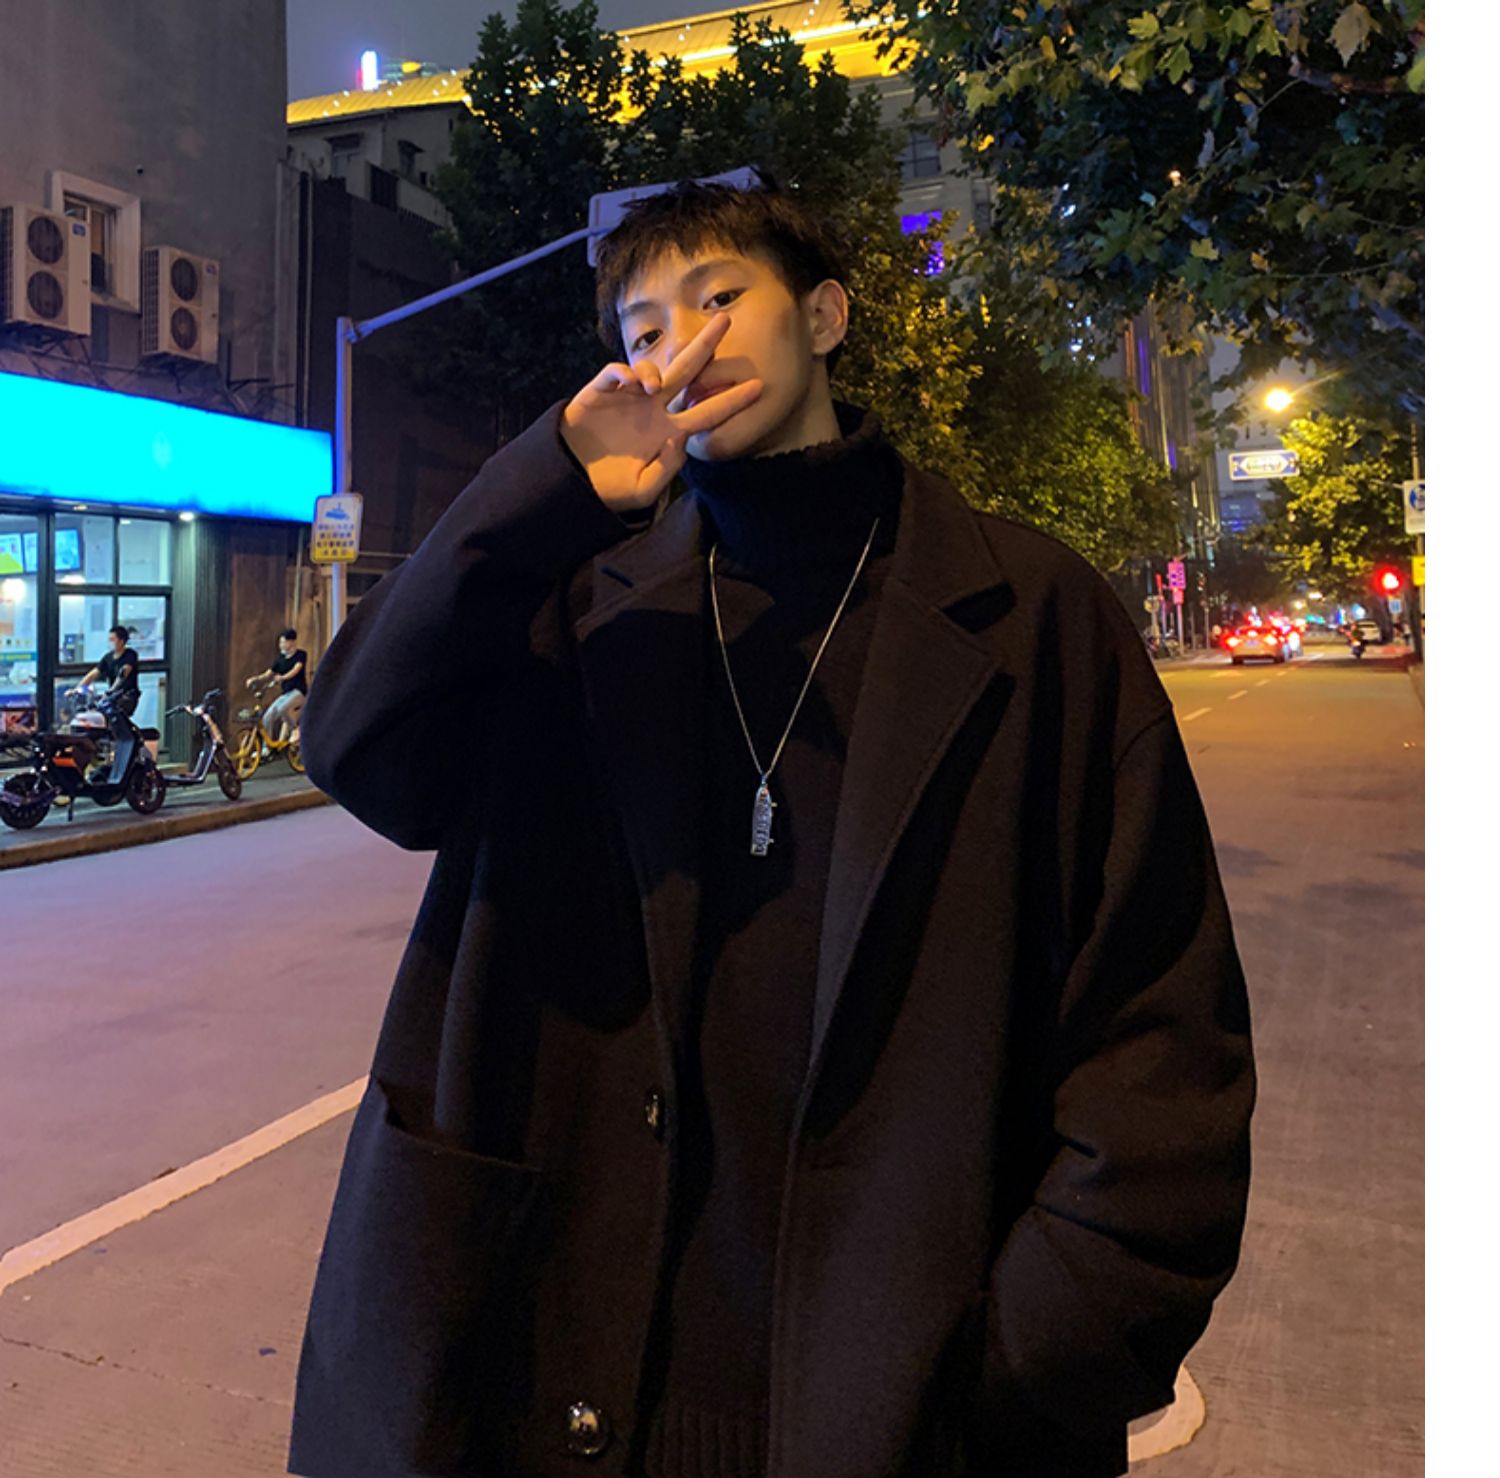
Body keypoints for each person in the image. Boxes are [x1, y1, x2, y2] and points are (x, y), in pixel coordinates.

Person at [289, 179, 1255, 1478]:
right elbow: (361, 751)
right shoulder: (578, 597)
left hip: (902, 1406)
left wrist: (1029, 1357)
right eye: (644, 327)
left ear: (826, 316)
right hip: (554, 1373)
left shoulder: (1033, 615)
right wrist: (544, 488)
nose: (681, 345)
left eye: (719, 297)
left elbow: (1160, 1034)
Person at [72, 624, 140, 778]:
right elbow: (94, 673)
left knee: (115, 718)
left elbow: (124, 673)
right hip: (112, 698)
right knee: (93, 715)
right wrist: (78, 688)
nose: (110, 642)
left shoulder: (130, 655)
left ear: (121, 641)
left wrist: (112, 690)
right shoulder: (108, 658)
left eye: (112, 639)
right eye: (109, 639)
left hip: (126, 697)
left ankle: (120, 751)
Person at [247, 629, 307, 742]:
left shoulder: (301, 655)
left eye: (283, 642)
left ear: (292, 642)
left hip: (298, 692)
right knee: (267, 717)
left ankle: (295, 729)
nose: (281, 645)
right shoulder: (280, 659)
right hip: (286, 694)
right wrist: (255, 679)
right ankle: (267, 746)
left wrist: (282, 677)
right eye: (280, 642)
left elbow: (296, 670)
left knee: (282, 708)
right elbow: (268, 674)